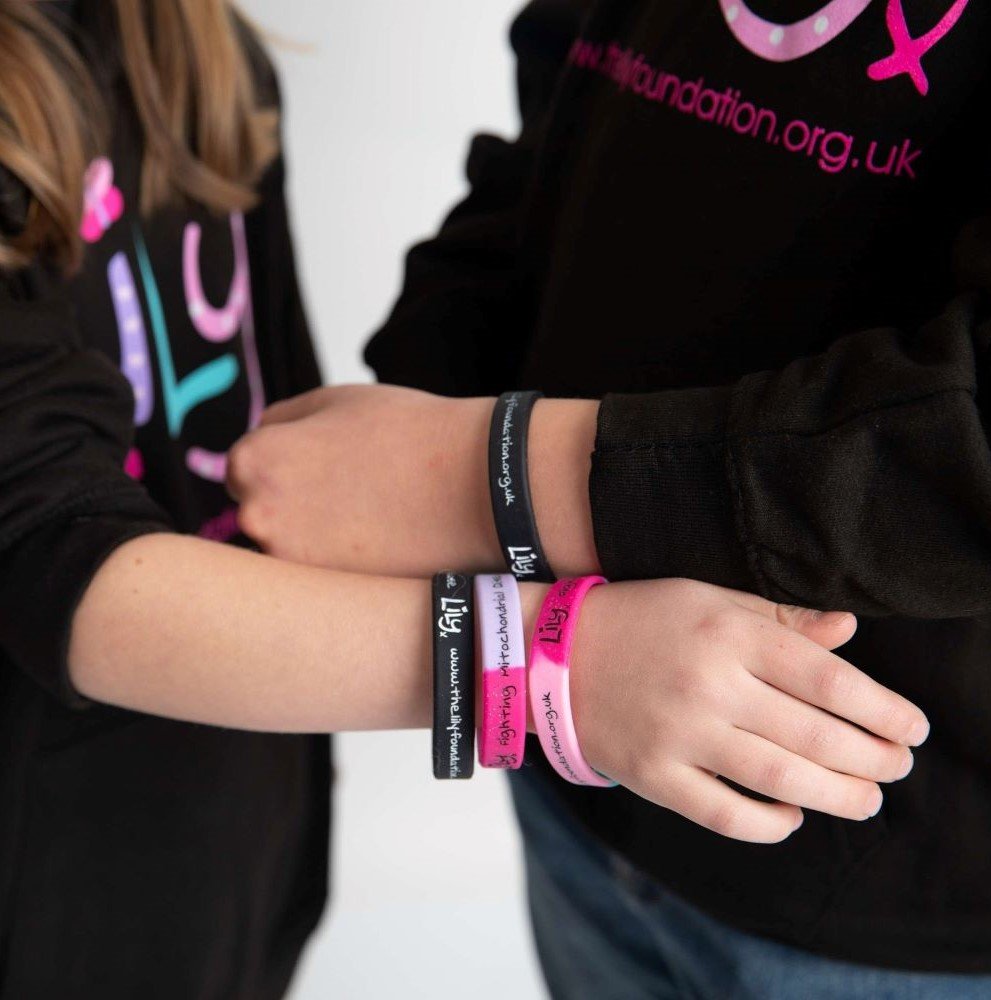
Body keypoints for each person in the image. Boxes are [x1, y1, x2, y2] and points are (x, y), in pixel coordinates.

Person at [0, 3, 926, 997]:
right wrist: (550, 668)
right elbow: (50, 552)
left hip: (232, 833)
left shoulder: (181, 33)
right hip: (51, 879)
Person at [230, 0, 991, 996]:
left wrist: (466, 478)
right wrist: (428, 379)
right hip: (576, 776)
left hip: (887, 886)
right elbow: (569, 103)